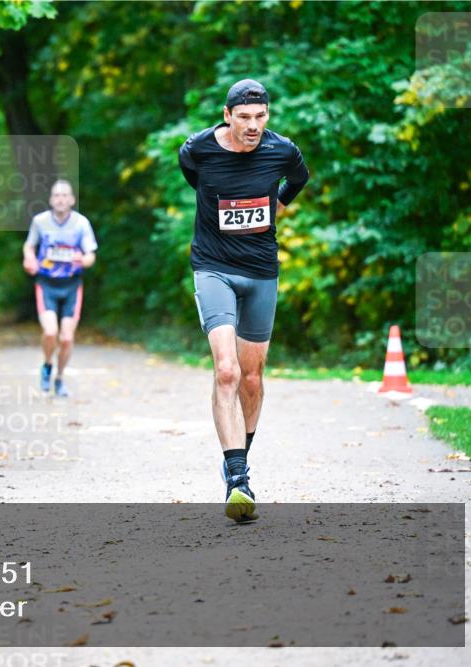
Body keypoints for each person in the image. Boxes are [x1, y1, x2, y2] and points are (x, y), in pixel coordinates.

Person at [178, 79, 310, 522]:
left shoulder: (282, 151)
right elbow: (194, 176)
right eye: (245, 117)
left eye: (261, 116)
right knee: (227, 369)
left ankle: (239, 457)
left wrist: (278, 204)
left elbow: (299, 179)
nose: (254, 126)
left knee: (252, 377)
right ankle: (238, 479)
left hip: (261, 272)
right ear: (227, 114)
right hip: (213, 266)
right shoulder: (198, 149)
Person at [22, 180, 97, 397]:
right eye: (56, 195)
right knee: (50, 331)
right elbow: (29, 246)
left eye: (65, 195)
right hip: (46, 284)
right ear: (51, 200)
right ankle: (47, 365)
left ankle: (60, 378)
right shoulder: (40, 221)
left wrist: (82, 259)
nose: (61, 199)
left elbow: (91, 255)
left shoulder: (81, 224)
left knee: (66, 338)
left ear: (72, 200)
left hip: (72, 285)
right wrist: (29, 259)